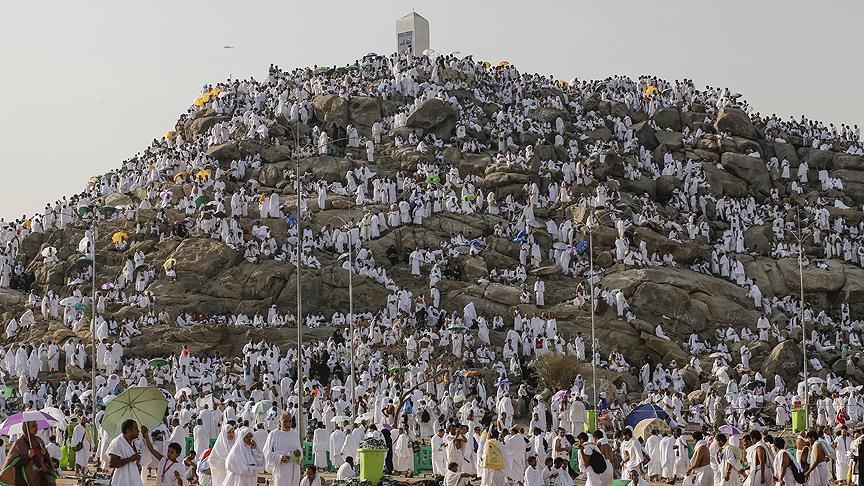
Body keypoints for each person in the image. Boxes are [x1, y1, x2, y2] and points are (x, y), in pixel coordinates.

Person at [0, 420, 57, 486]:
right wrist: (27, 456)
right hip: (25, 479)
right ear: (27, 428)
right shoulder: (19, 443)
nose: (37, 428)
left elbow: (45, 459)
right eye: (34, 426)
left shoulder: (39, 440)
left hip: (41, 475)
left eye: (37, 426)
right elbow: (13, 463)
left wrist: (45, 453)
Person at [262, 412, 303, 486]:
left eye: (290, 421)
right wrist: (280, 457)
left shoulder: (295, 434)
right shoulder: (273, 434)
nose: (288, 424)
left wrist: (298, 454)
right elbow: (266, 454)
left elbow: (300, 453)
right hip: (280, 471)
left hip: (294, 471)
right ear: (280, 422)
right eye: (285, 421)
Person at [107, 419, 144, 486]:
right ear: (128, 430)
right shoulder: (117, 442)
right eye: (135, 429)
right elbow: (112, 463)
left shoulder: (134, 442)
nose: (138, 431)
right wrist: (130, 459)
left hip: (134, 480)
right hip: (121, 480)